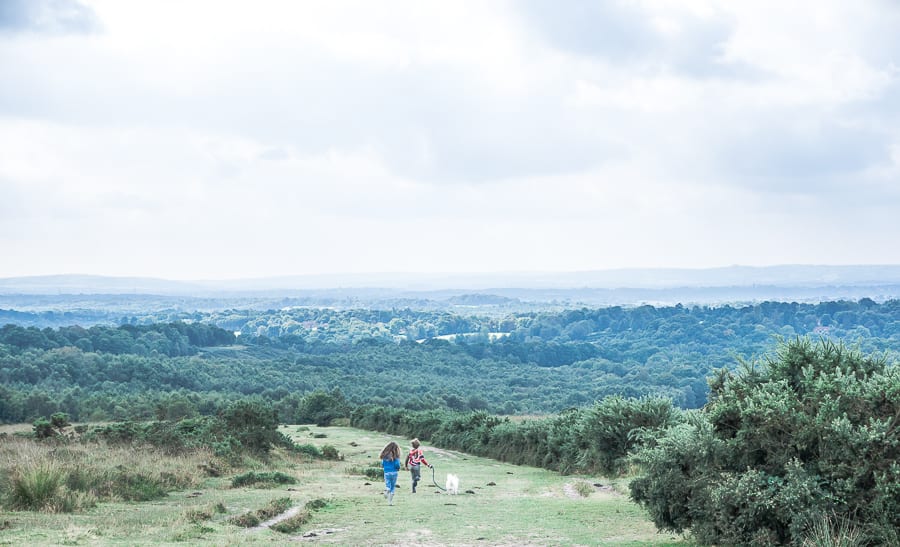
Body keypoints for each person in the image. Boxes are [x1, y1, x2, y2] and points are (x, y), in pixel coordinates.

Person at [380, 441, 402, 505]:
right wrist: (398, 468)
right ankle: (390, 502)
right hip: (394, 473)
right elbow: (397, 465)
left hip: (386, 472)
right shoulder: (396, 457)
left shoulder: (384, 456)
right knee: (393, 486)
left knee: (388, 484)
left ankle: (387, 490)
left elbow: (382, 464)